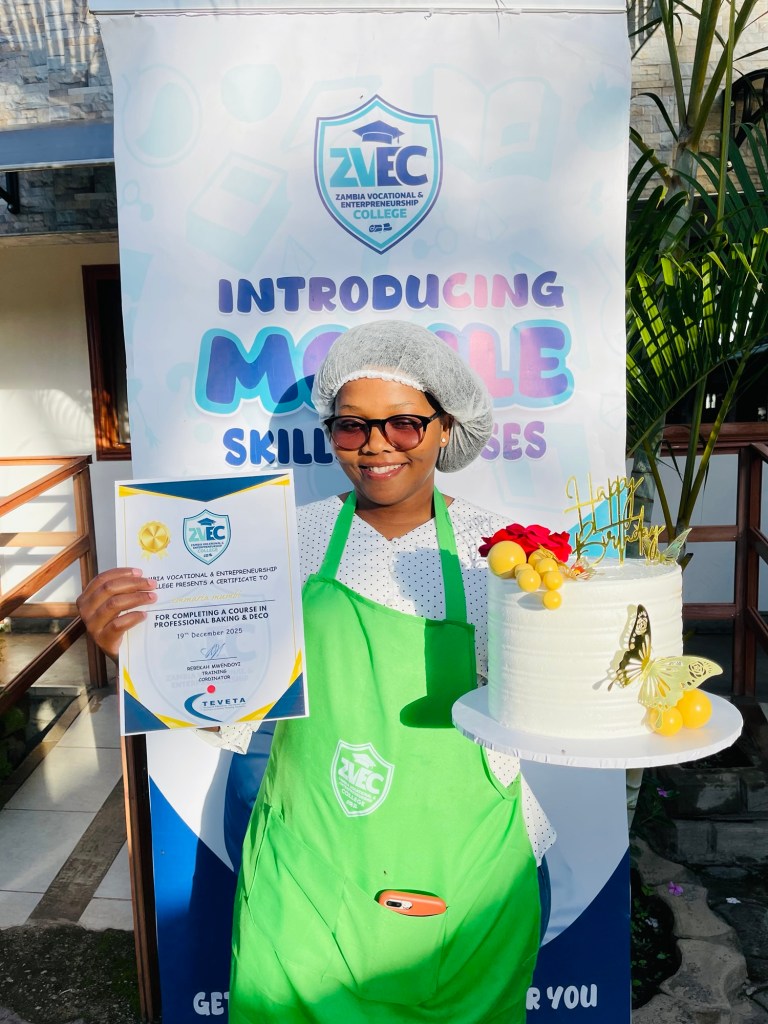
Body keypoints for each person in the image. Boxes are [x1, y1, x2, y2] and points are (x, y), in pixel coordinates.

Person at [77, 320, 555, 1024]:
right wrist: (140, 651)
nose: (376, 445)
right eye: (351, 426)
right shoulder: (278, 542)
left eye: (404, 423)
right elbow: (227, 704)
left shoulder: (504, 554)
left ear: (445, 428)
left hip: (469, 869)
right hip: (310, 873)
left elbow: (546, 707)